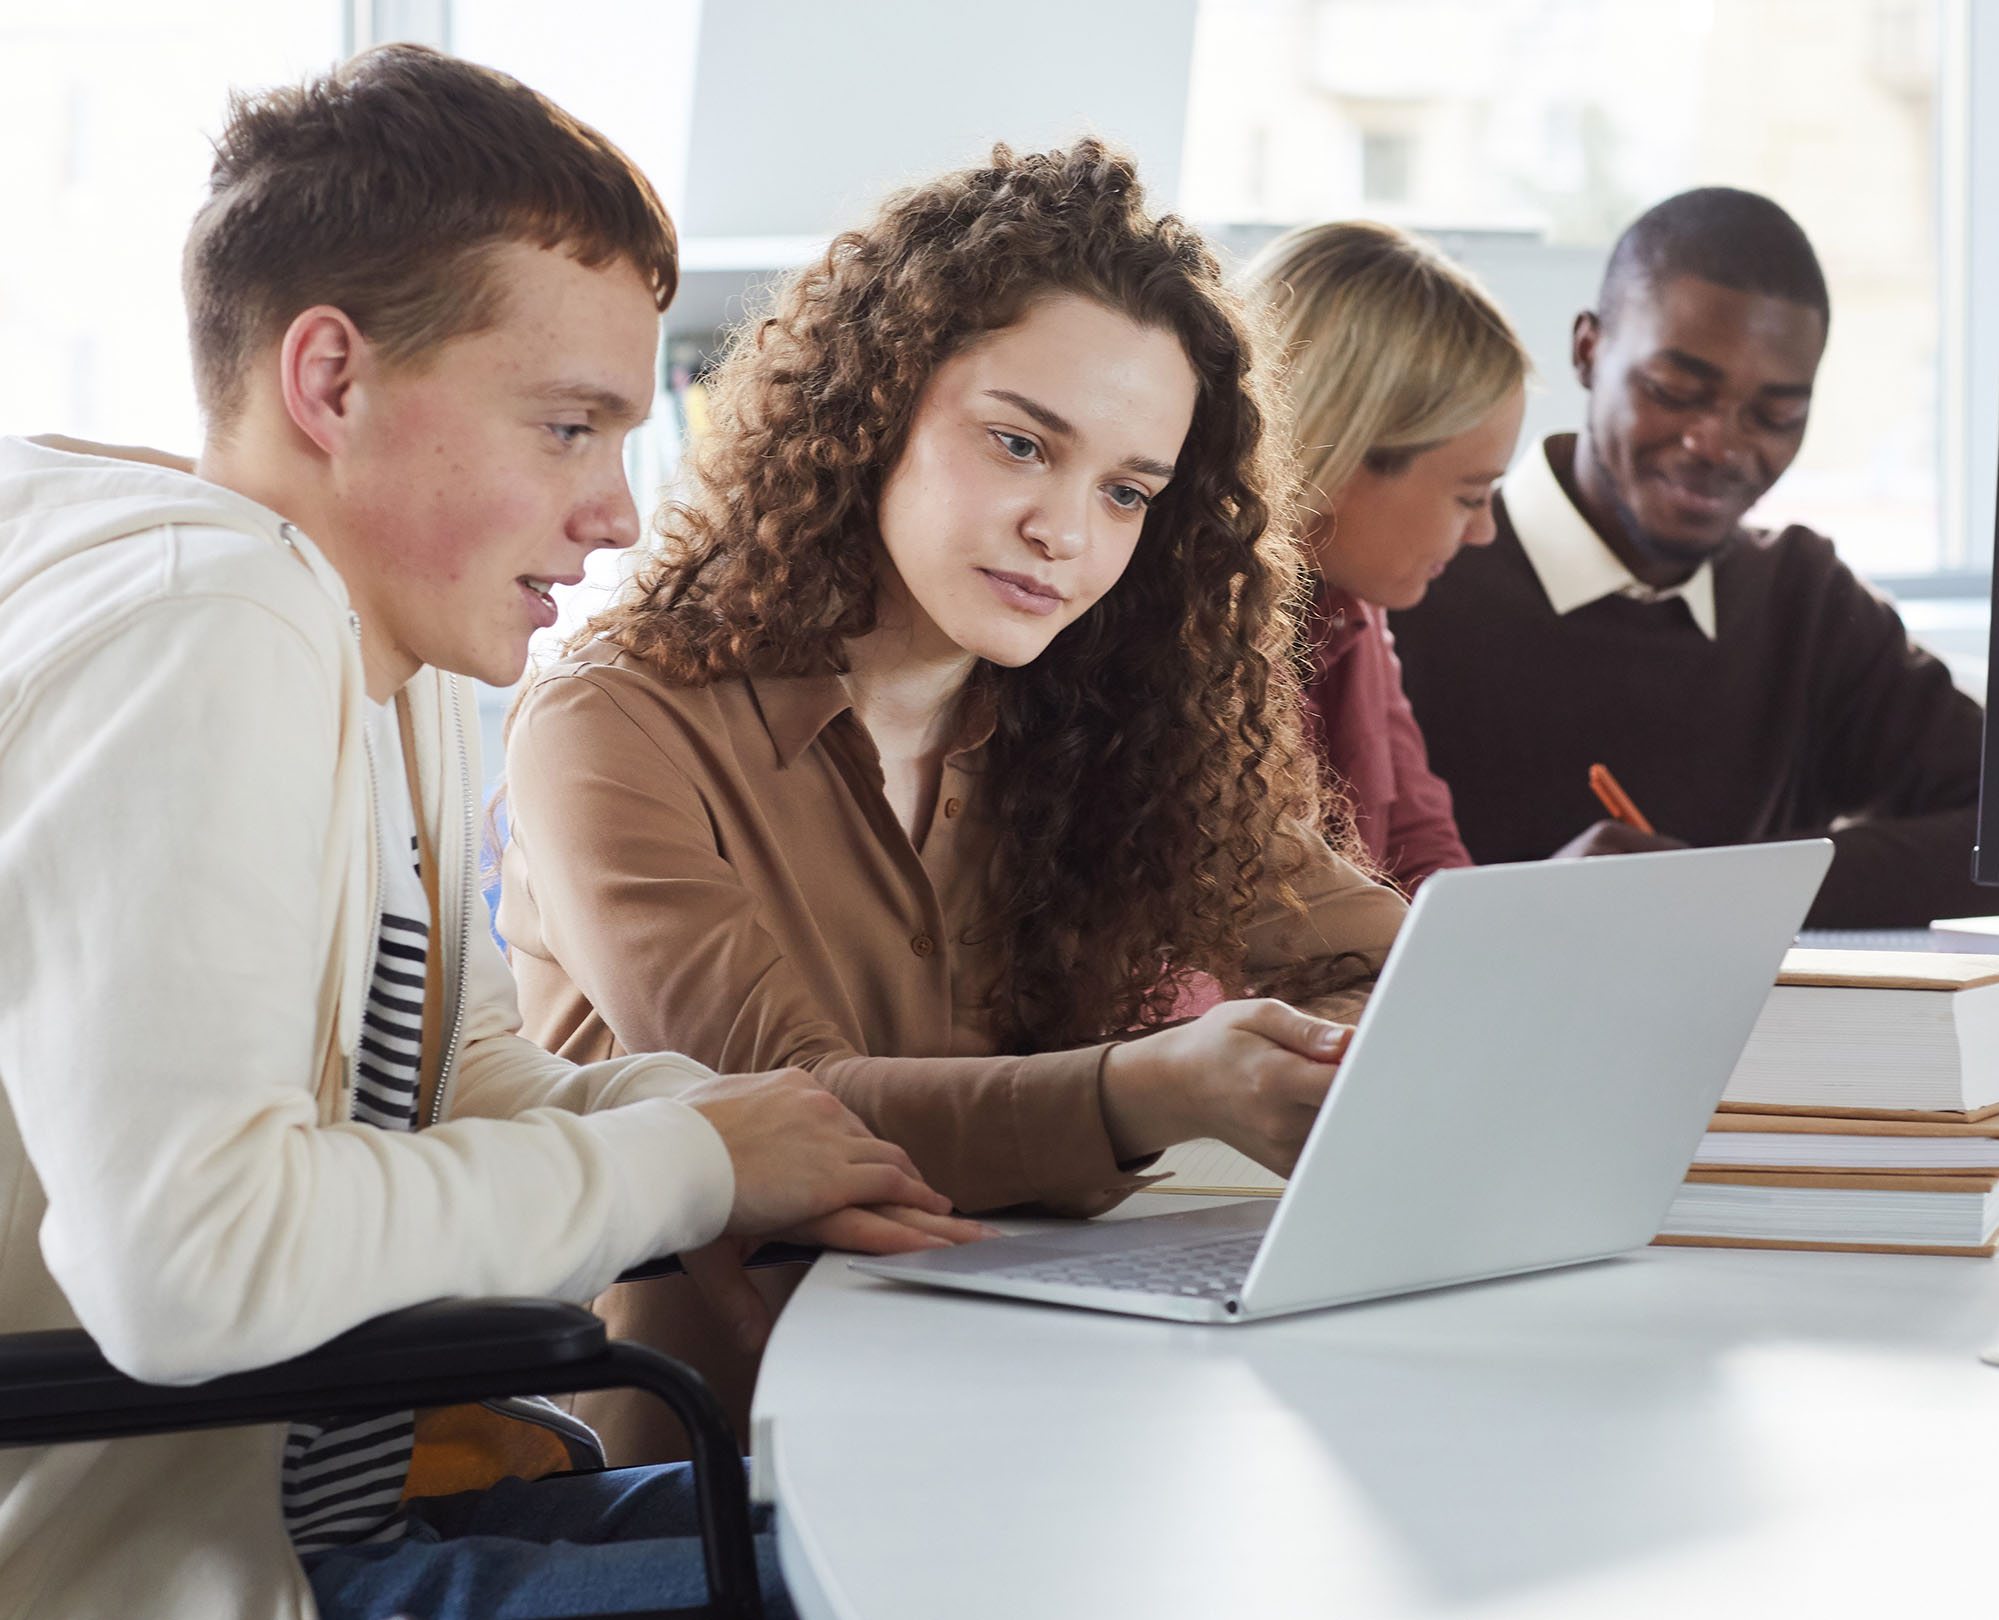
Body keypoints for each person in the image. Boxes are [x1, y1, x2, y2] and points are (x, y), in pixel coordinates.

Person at [0, 47, 978, 1620]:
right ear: (331, 382)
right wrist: (690, 1162)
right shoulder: (202, 625)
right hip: (116, 1589)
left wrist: (753, 1136)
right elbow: (191, 1267)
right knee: (951, 1572)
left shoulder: (376, 652)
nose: (617, 510)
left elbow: (471, 1094)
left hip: (315, 1541)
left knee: (939, 1518)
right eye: (567, 427)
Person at [496, 141, 1407, 1462]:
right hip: (703, 1482)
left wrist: (1324, 1053)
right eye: (1020, 443)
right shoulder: (611, 720)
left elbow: (1374, 963)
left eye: (1127, 492)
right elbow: (791, 1118)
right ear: (873, 409)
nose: (1066, 530)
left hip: (1036, 1411)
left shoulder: (1121, 715)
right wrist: (1158, 1091)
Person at [1388, 187, 1999, 927]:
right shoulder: (1412, 582)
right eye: (1674, 390)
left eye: (1775, 415)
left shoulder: (1804, 604)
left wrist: (1718, 890)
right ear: (1587, 350)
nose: (1719, 444)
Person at [1240, 220, 1530, 889]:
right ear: (1337, 462)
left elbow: (1421, 852)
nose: (1484, 531)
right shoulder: (1171, 636)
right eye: (1469, 495)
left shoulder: (1354, 612)